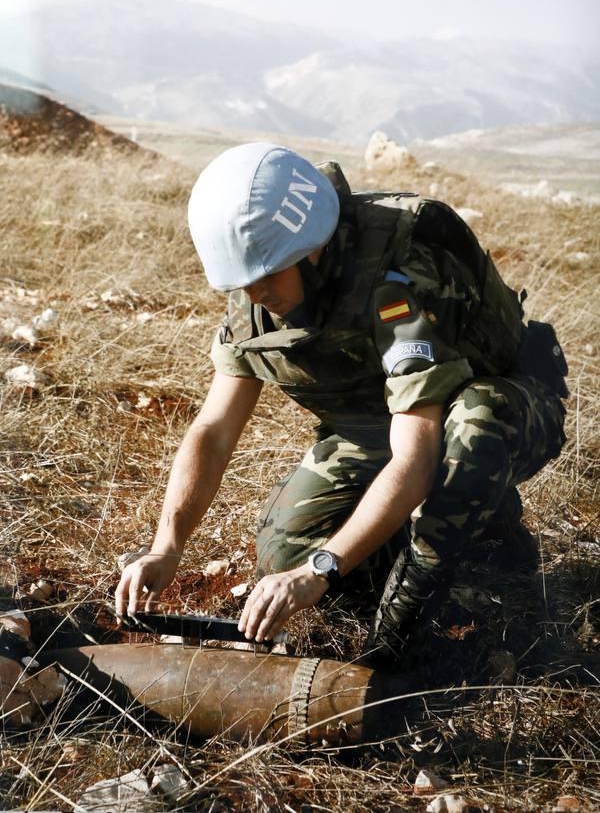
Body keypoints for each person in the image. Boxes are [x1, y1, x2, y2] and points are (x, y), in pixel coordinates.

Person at [115, 142, 568, 665]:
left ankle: (450, 583)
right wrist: (166, 546)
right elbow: (213, 431)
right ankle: (435, 532)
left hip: (500, 410)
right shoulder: (256, 287)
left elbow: (416, 456)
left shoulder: (399, 279)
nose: (257, 293)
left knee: (473, 431)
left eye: (268, 274)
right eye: (245, 281)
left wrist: (322, 569)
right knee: (284, 554)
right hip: (380, 424)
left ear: (314, 247)